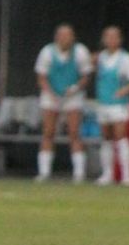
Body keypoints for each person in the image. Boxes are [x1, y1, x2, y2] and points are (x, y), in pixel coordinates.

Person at [34, 25, 94, 182]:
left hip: (72, 95)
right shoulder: (47, 52)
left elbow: (85, 76)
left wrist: (74, 88)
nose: (64, 38)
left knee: (74, 132)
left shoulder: (81, 51)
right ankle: (44, 172)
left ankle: (79, 173)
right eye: (61, 35)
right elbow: (41, 77)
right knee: (48, 132)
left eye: (68, 35)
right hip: (51, 94)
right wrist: (51, 93)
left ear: (73, 37)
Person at [94, 26, 129, 186]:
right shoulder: (99, 58)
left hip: (119, 104)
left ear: (120, 40)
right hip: (103, 102)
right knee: (106, 138)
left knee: (121, 137)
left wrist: (124, 90)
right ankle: (107, 174)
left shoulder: (126, 59)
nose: (111, 40)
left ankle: (127, 175)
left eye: (114, 37)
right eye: (108, 36)